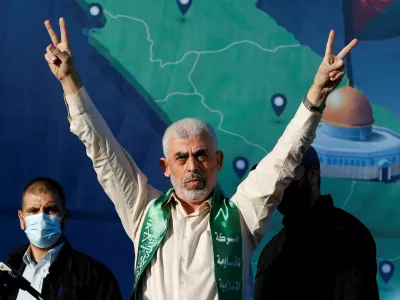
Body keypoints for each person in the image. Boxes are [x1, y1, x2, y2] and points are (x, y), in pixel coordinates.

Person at [42, 17, 357, 300]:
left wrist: (316, 94)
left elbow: (284, 157)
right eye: (181, 158)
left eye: (201, 155)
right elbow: (103, 152)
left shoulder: (242, 216)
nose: (192, 166)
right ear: (166, 167)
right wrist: (70, 82)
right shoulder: (142, 212)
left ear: (218, 161)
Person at [253, 147, 379, 300]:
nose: (277, 186)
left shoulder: (348, 236)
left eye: (285, 175)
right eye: (272, 179)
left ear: (313, 174)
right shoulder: (271, 252)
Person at [0, 177, 122, 300]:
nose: (41, 217)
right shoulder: (6, 275)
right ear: (22, 219)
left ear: (65, 217)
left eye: (50, 209)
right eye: (33, 210)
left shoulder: (94, 277)